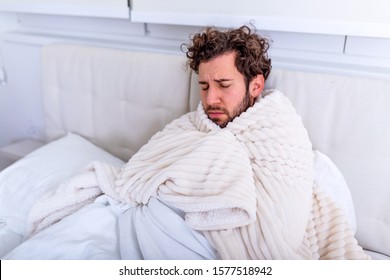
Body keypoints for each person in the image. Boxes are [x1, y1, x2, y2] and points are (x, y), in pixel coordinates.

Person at [4, 26, 369, 260]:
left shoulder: (280, 131)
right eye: (205, 86)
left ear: (255, 85)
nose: (211, 98)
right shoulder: (193, 123)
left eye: (224, 86)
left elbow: (280, 231)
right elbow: (141, 171)